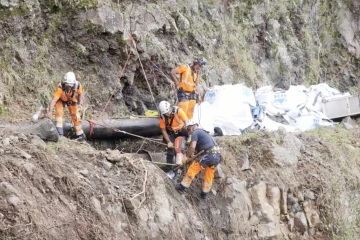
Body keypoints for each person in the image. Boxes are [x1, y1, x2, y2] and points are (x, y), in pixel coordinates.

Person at [176, 119, 221, 199]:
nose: (188, 131)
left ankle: (182, 187)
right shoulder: (204, 133)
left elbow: (192, 146)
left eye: (188, 129)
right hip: (217, 155)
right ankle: (204, 193)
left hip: (208, 154)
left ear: (192, 127)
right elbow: (198, 152)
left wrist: (186, 157)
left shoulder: (195, 132)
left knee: (193, 168)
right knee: (209, 174)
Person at [46, 72, 85, 141]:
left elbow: (80, 94)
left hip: (71, 99)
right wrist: (50, 112)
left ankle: (80, 135)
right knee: (59, 112)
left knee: (76, 115)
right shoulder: (60, 87)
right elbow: (54, 100)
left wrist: (80, 104)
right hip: (60, 99)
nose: (69, 87)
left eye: (70, 86)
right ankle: (59, 133)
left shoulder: (77, 85)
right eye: (67, 85)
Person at [159, 100, 189, 172]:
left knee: (181, 149)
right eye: (165, 114)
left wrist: (189, 136)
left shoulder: (178, 111)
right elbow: (163, 130)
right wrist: (169, 142)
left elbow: (186, 122)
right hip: (172, 132)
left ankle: (181, 167)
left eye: (168, 112)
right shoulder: (162, 117)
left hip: (182, 131)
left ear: (170, 108)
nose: (167, 114)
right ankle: (169, 169)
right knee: (170, 151)